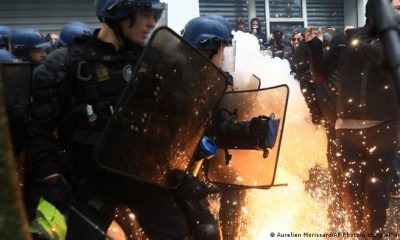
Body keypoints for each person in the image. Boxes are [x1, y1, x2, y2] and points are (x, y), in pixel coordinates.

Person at [27, 0, 191, 239]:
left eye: (155, 14)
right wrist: (51, 175)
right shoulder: (65, 64)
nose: (152, 22)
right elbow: (38, 130)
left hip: (141, 176)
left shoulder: (154, 62)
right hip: (90, 181)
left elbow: (173, 121)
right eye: (145, 13)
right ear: (119, 12)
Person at [306, 0, 400, 234]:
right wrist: (315, 46)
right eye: (396, 8)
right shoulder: (344, 39)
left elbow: (381, 58)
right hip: (346, 130)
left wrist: (353, 39)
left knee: (377, 196)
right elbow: (320, 75)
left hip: (383, 129)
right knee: (350, 194)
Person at [291, 27, 344, 230]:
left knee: (339, 175)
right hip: (347, 131)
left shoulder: (314, 76)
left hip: (336, 131)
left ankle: (339, 216)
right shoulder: (347, 70)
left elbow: (314, 105)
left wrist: (317, 118)